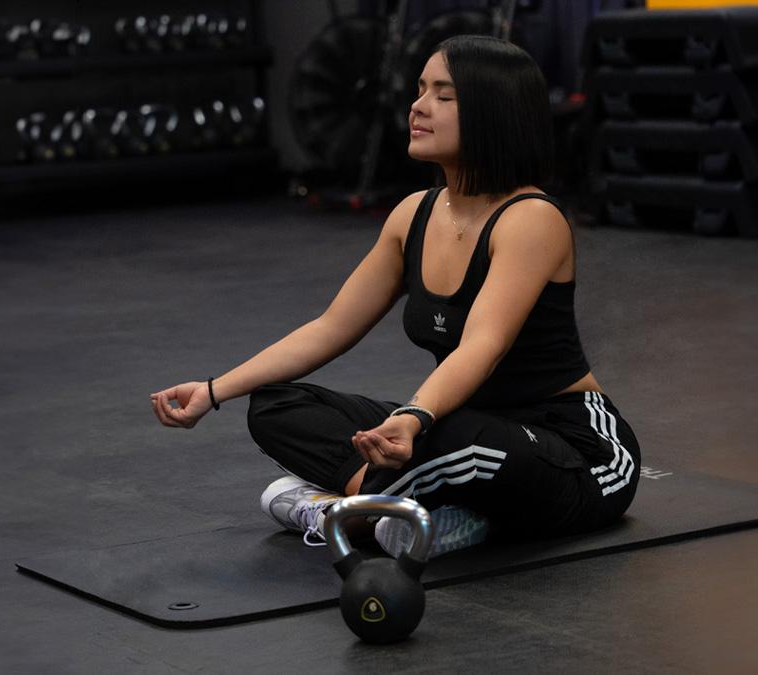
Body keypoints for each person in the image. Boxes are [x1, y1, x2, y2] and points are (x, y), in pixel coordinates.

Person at [150, 35, 640, 558]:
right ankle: (428, 511)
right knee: (276, 402)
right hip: (457, 428)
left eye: (443, 96)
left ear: (494, 113)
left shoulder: (531, 220)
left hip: (578, 455)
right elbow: (332, 327)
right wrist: (214, 390)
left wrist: (412, 418)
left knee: (459, 439)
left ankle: (347, 513)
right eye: (420, 89)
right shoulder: (413, 215)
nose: (417, 106)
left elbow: (483, 345)